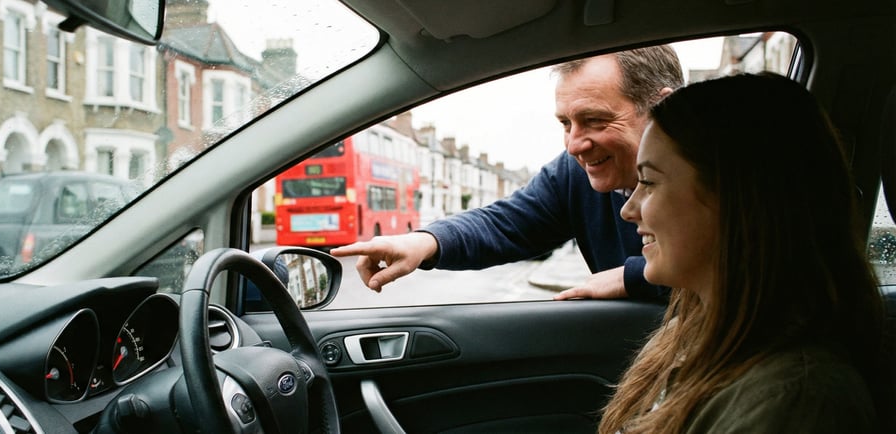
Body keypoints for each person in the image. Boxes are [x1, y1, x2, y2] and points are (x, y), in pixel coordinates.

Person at [599, 73, 892, 433]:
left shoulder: (793, 401)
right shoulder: (690, 332)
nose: (629, 210)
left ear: (736, 198)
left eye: (649, 182)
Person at [330, 46, 683, 300]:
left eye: (594, 121)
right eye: (565, 123)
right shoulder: (574, 175)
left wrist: (632, 276)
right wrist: (423, 242)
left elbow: (732, 262)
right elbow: (507, 223)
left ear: (662, 109)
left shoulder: (723, 175)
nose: (574, 145)